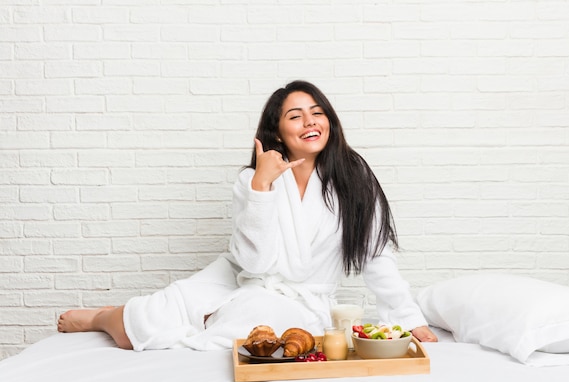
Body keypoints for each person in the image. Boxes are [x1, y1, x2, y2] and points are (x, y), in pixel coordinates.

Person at [57, 80, 438, 350]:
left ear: (330, 122)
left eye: (317, 113)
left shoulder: (354, 180)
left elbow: (376, 256)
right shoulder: (252, 179)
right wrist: (261, 189)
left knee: (256, 327)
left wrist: (407, 317)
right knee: (134, 328)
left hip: (295, 301)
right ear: (277, 130)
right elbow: (253, 262)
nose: (310, 122)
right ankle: (102, 317)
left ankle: (209, 318)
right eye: (296, 116)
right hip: (237, 277)